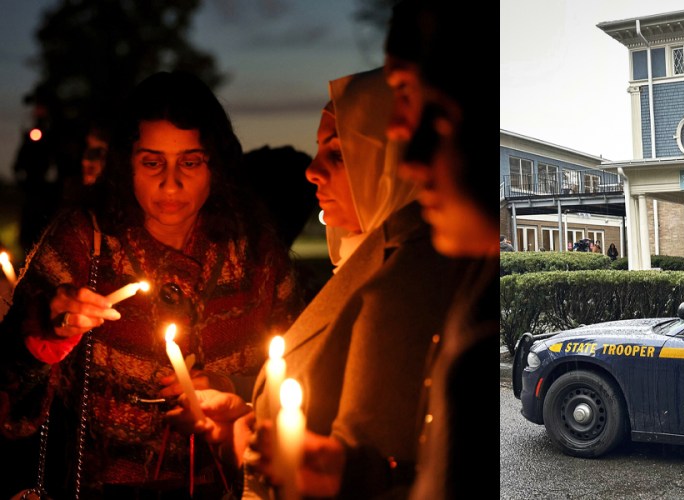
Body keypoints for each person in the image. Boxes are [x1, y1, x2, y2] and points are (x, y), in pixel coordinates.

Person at [0, 71, 299, 499]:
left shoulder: (255, 254)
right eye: (152, 162)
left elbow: (296, 373)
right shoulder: (84, 242)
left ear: (216, 164)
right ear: (127, 164)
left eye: (190, 162)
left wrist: (236, 391)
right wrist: (44, 332)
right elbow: (8, 382)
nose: (171, 183)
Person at [189, 67, 467, 499]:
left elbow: (358, 464)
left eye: (338, 155)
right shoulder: (366, 258)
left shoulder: (401, 288)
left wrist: (260, 448)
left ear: (388, 162)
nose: (312, 171)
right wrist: (242, 402)